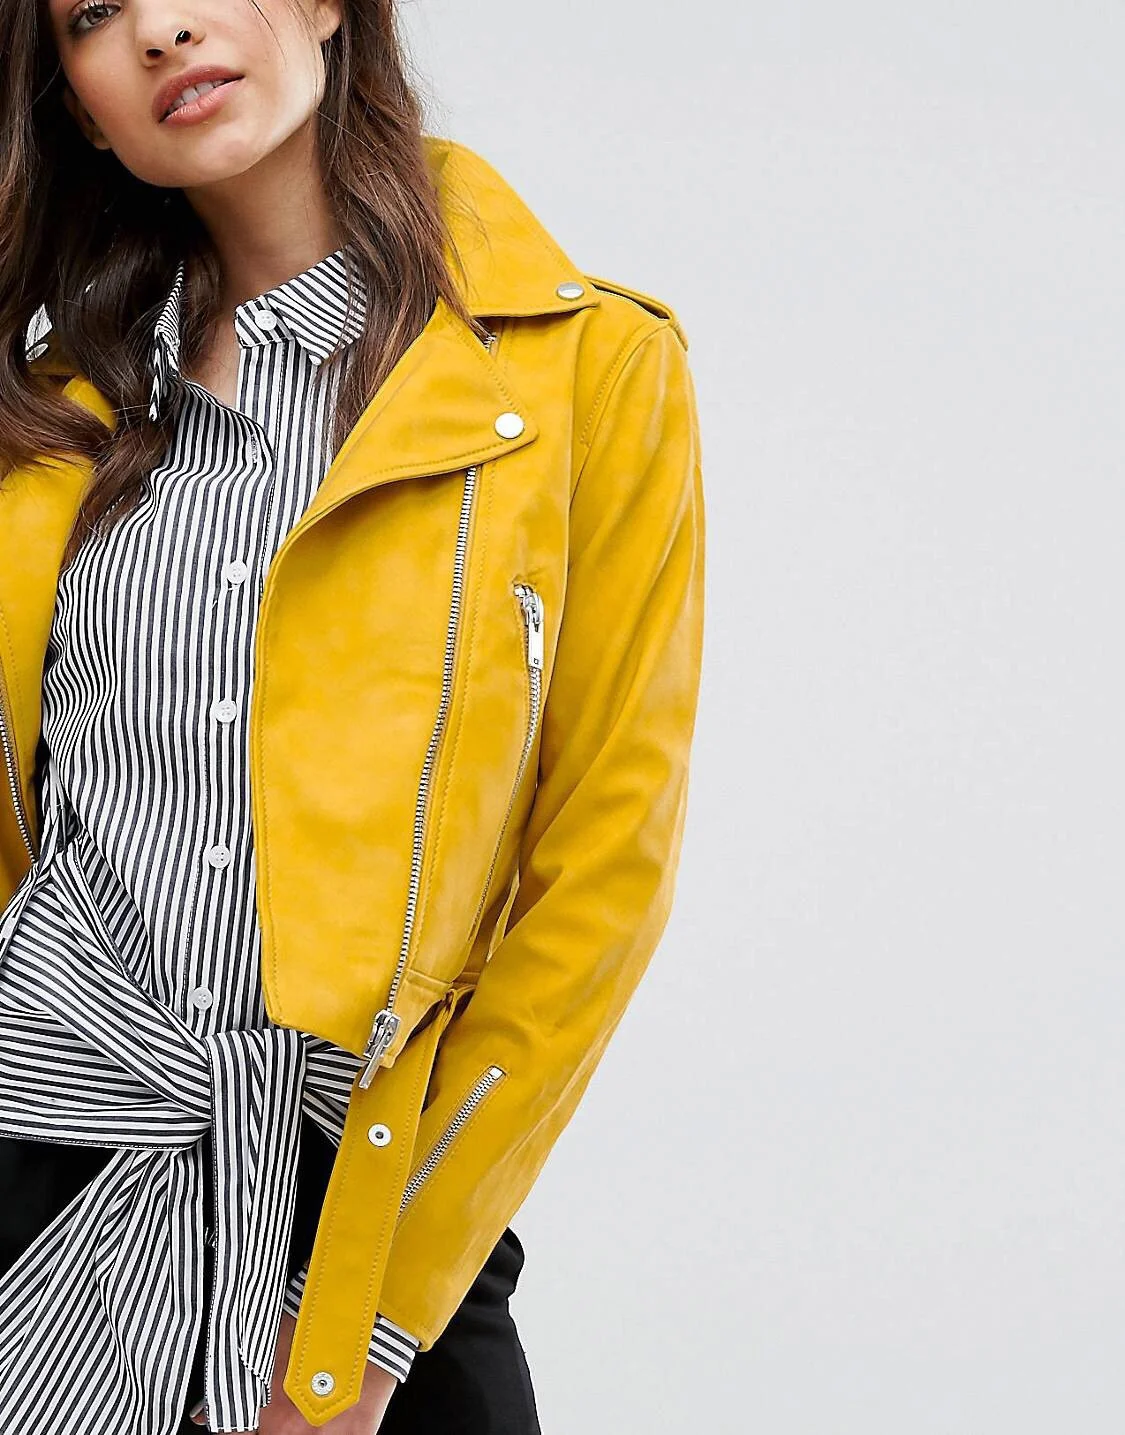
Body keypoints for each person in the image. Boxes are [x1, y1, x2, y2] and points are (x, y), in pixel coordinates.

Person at [0, 0, 706, 1431]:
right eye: (94, 15)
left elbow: (601, 876)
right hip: (43, 1171)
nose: (162, 30)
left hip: (370, 1204)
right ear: (79, 106)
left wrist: (371, 1329)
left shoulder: (590, 374)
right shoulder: (43, 423)